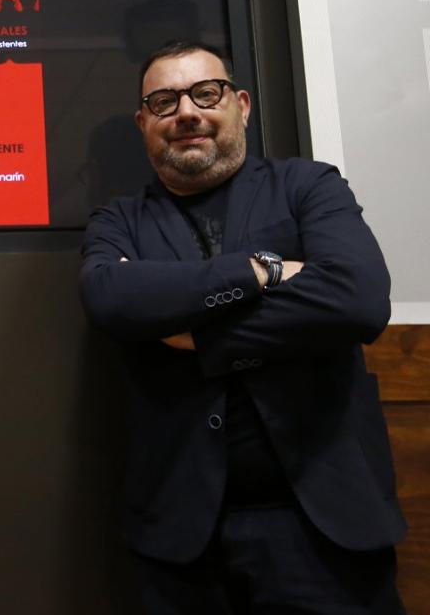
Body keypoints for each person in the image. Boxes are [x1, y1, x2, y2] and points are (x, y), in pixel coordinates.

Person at [79, 40, 406, 613]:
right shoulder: (119, 220)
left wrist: (204, 337)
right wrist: (261, 270)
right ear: (143, 122)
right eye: (164, 101)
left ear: (242, 105)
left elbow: (357, 300)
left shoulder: (308, 186)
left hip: (323, 529)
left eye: (206, 93)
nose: (186, 112)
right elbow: (111, 298)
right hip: (182, 539)